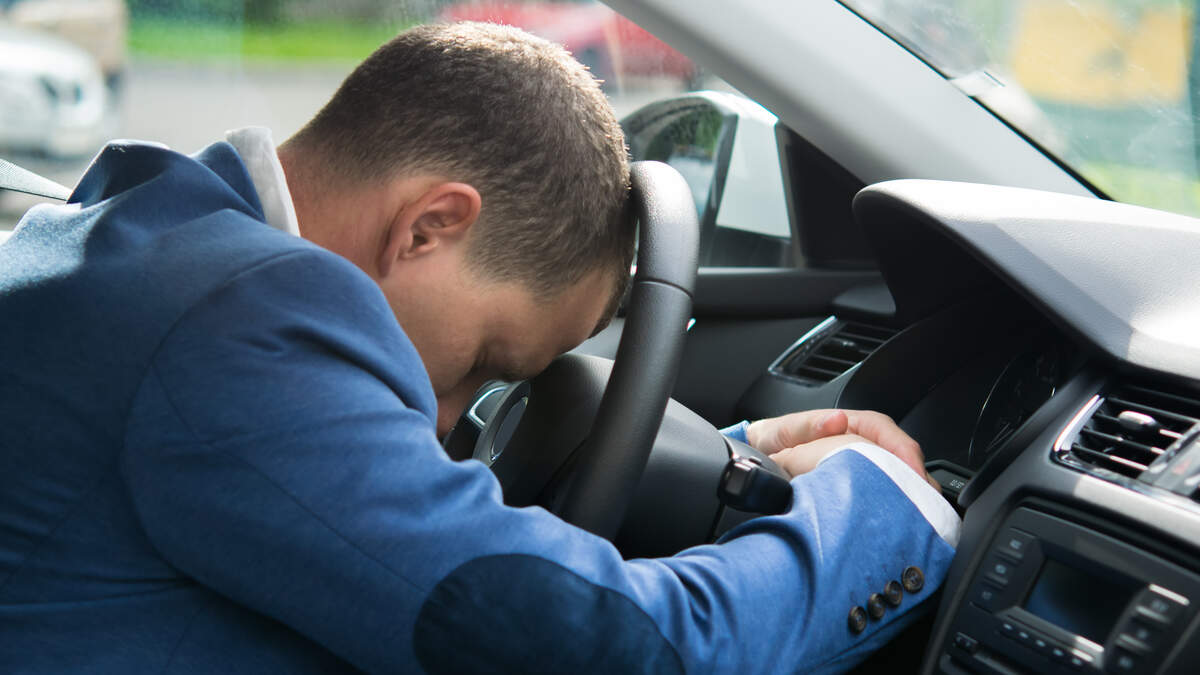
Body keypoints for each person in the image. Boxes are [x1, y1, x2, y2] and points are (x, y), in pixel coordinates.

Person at [0, 22, 958, 673]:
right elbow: (604, 647)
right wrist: (880, 508)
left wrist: (726, 470)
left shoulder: (149, 235)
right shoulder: (244, 319)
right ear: (429, 227)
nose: (449, 424)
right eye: (486, 365)